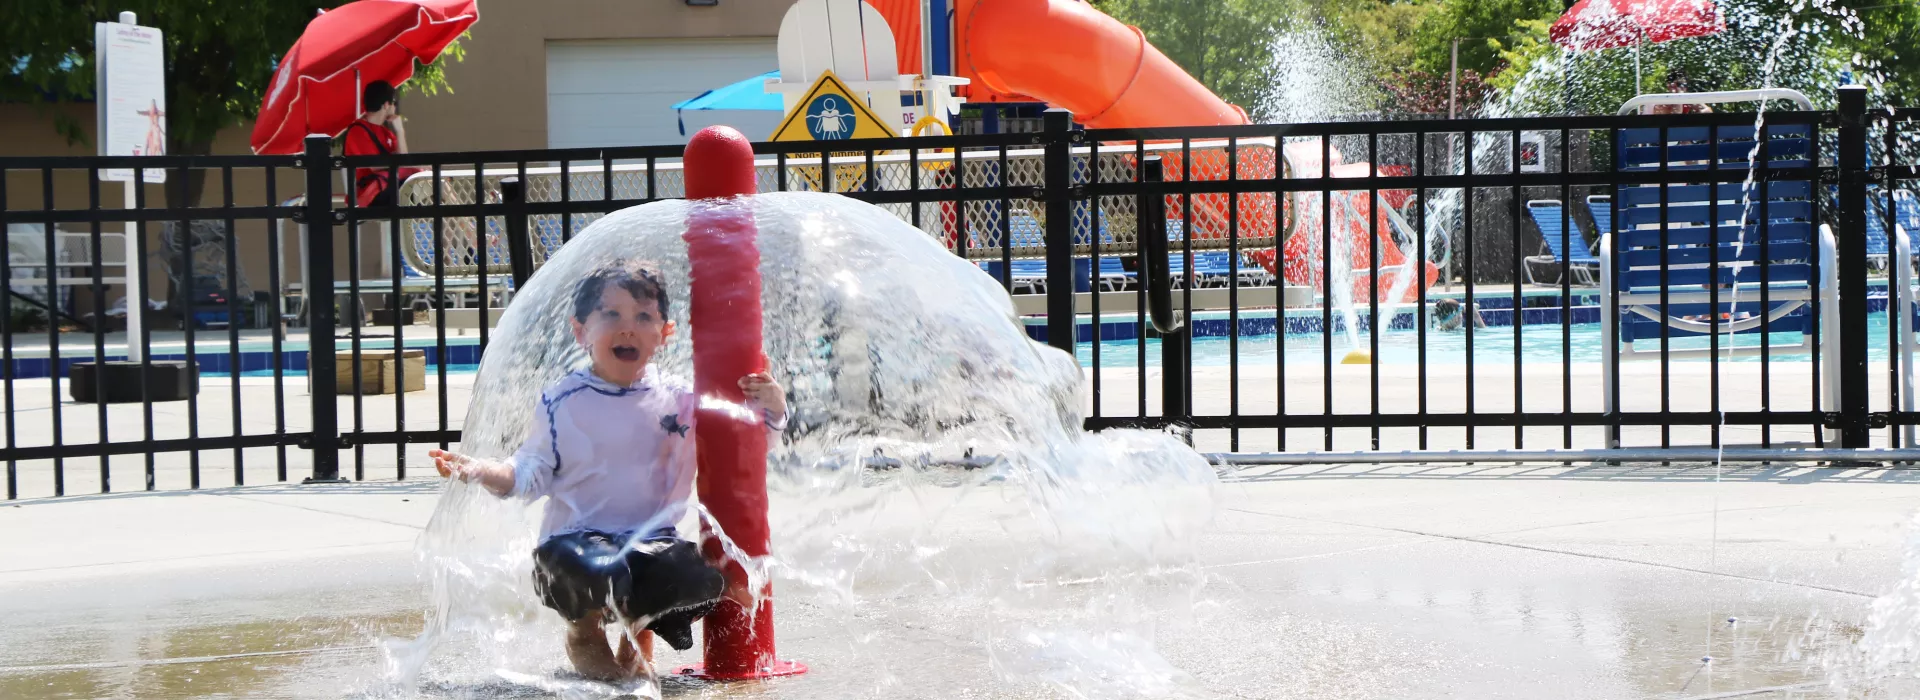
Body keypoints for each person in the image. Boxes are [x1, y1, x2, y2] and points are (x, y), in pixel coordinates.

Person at [426, 262, 788, 681]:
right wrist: (484, 470)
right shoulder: (563, 401)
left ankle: (639, 633)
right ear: (581, 331)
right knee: (601, 570)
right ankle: (586, 634)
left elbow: (744, 446)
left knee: (697, 578)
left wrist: (773, 408)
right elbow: (530, 470)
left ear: (665, 333)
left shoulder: (680, 400)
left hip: (649, 544)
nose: (627, 328)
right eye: (611, 315)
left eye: (643, 317)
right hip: (574, 547)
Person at [343, 80, 422, 207]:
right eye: (394, 103)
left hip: (389, 187)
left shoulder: (386, 132)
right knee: (425, 179)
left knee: (433, 180)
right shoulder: (357, 130)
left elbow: (404, 159)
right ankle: (461, 221)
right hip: (372, 193)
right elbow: (375, 165)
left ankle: (461, 222)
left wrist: (400, 131)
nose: (395, 108)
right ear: (386, 105)